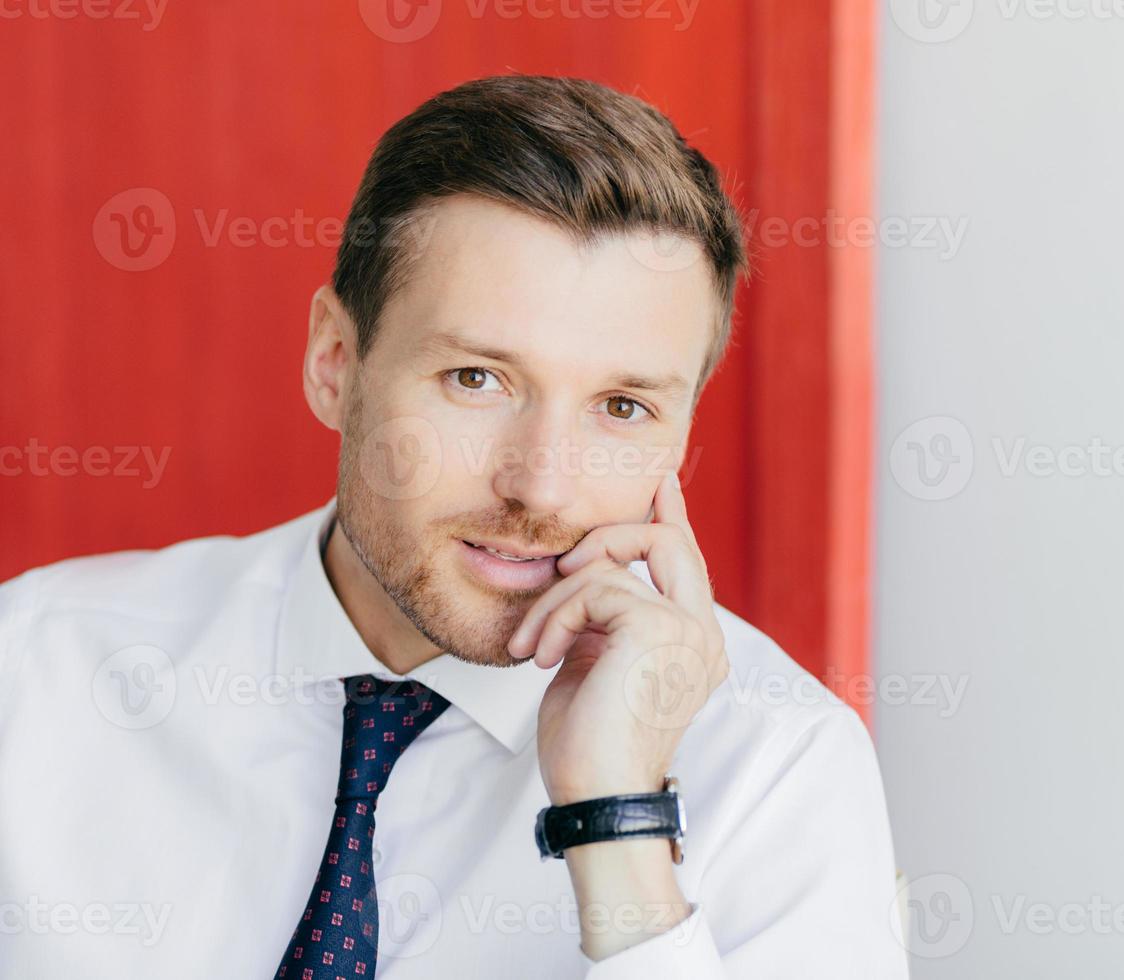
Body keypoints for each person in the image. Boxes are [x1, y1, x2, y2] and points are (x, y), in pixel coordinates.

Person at [0, 75, 909, 978]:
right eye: (477, 379)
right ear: (334, 361)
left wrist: (619, 824)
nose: (543, 488)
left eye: (623, 407)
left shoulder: (777, 766)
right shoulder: (35, 672)